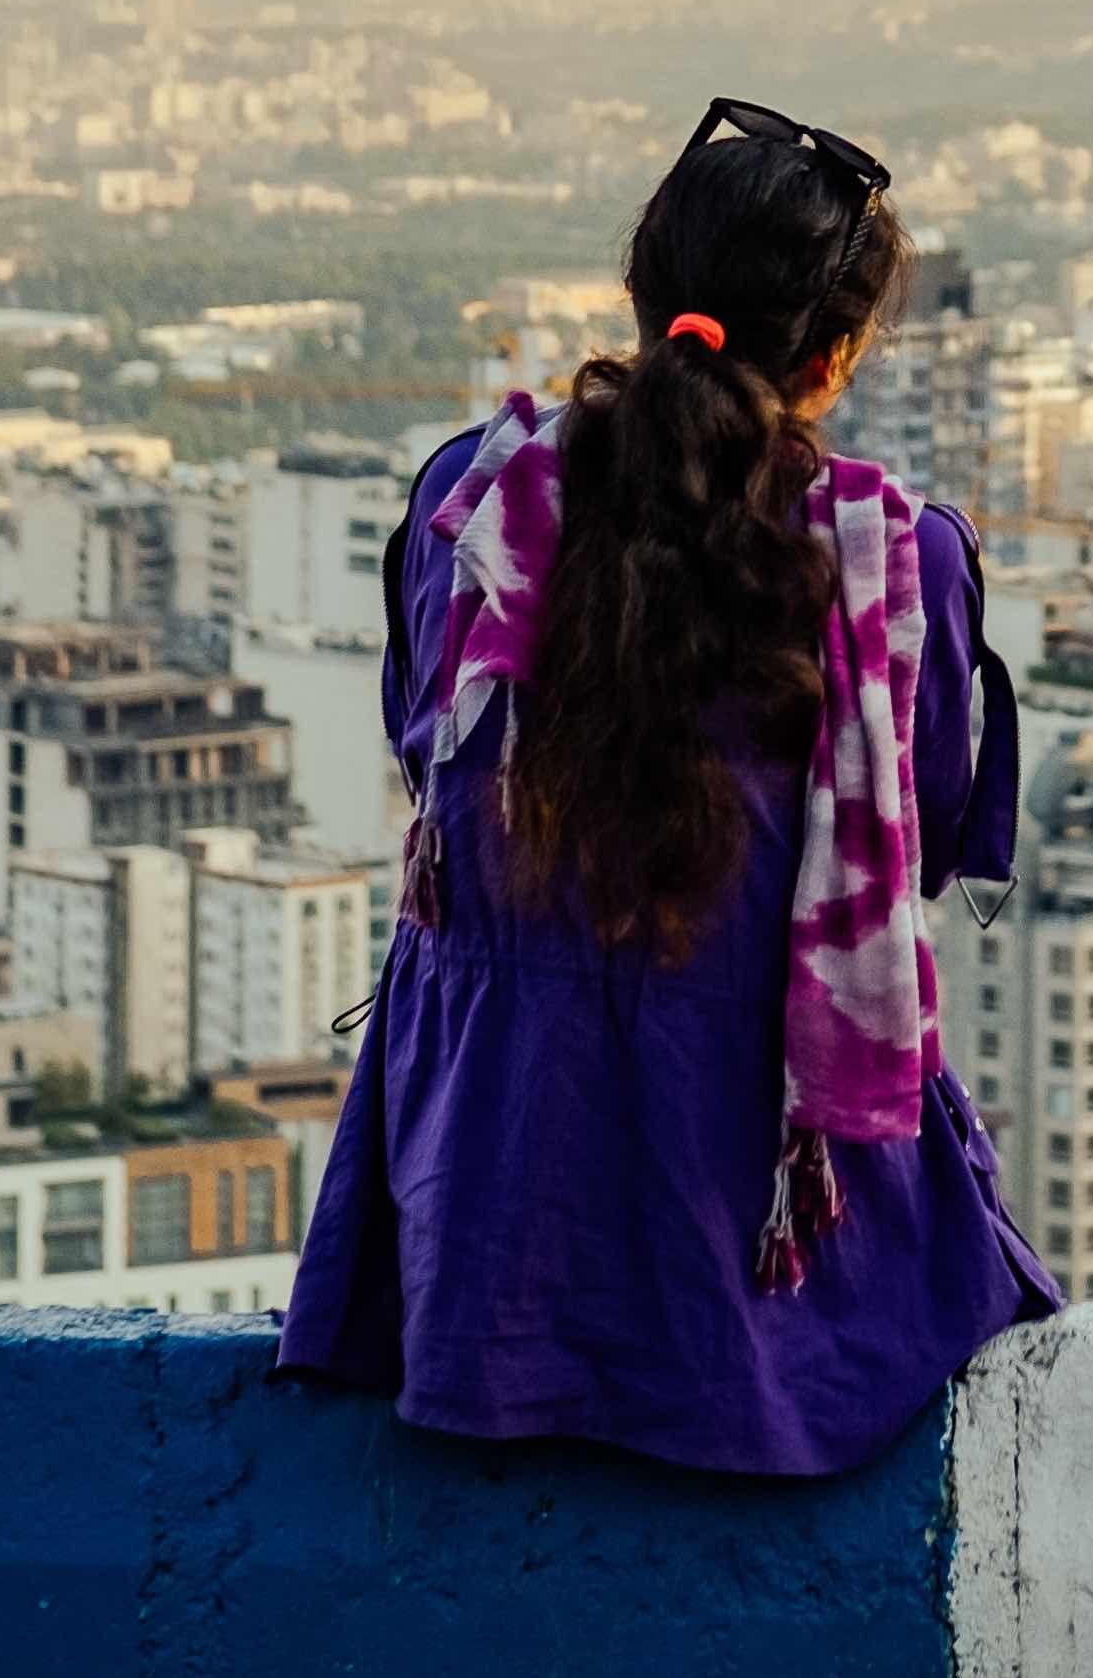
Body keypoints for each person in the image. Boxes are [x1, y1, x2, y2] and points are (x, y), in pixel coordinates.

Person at [276, 97, 1053, 1472]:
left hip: (479, 1228)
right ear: (836, 358)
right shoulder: (897, 564)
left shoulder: (478, 502)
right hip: (767, 1269)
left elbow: (425, 747)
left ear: (643, 297)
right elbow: (922, 836)